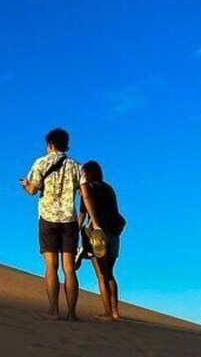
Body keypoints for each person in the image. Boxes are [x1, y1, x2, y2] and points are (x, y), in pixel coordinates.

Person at [19, 128, 83, 321]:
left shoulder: (40, 162)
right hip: (69, 220)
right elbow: (84, 193)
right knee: (69, 268)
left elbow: (32, 190)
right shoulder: (76, 166)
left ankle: (54, 311)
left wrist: (24, 184)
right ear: (67, 145)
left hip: (48, 218)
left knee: (50, 266)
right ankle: (72, 313)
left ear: (50, 145)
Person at [78, 160, 126, 321]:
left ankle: (107, 312)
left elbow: (83, 214)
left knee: (101, 276)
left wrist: (76, 231)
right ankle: (115, 312)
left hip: (98, 235)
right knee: (110, 274)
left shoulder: (87, 189)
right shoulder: (109, 188)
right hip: (114, 234)